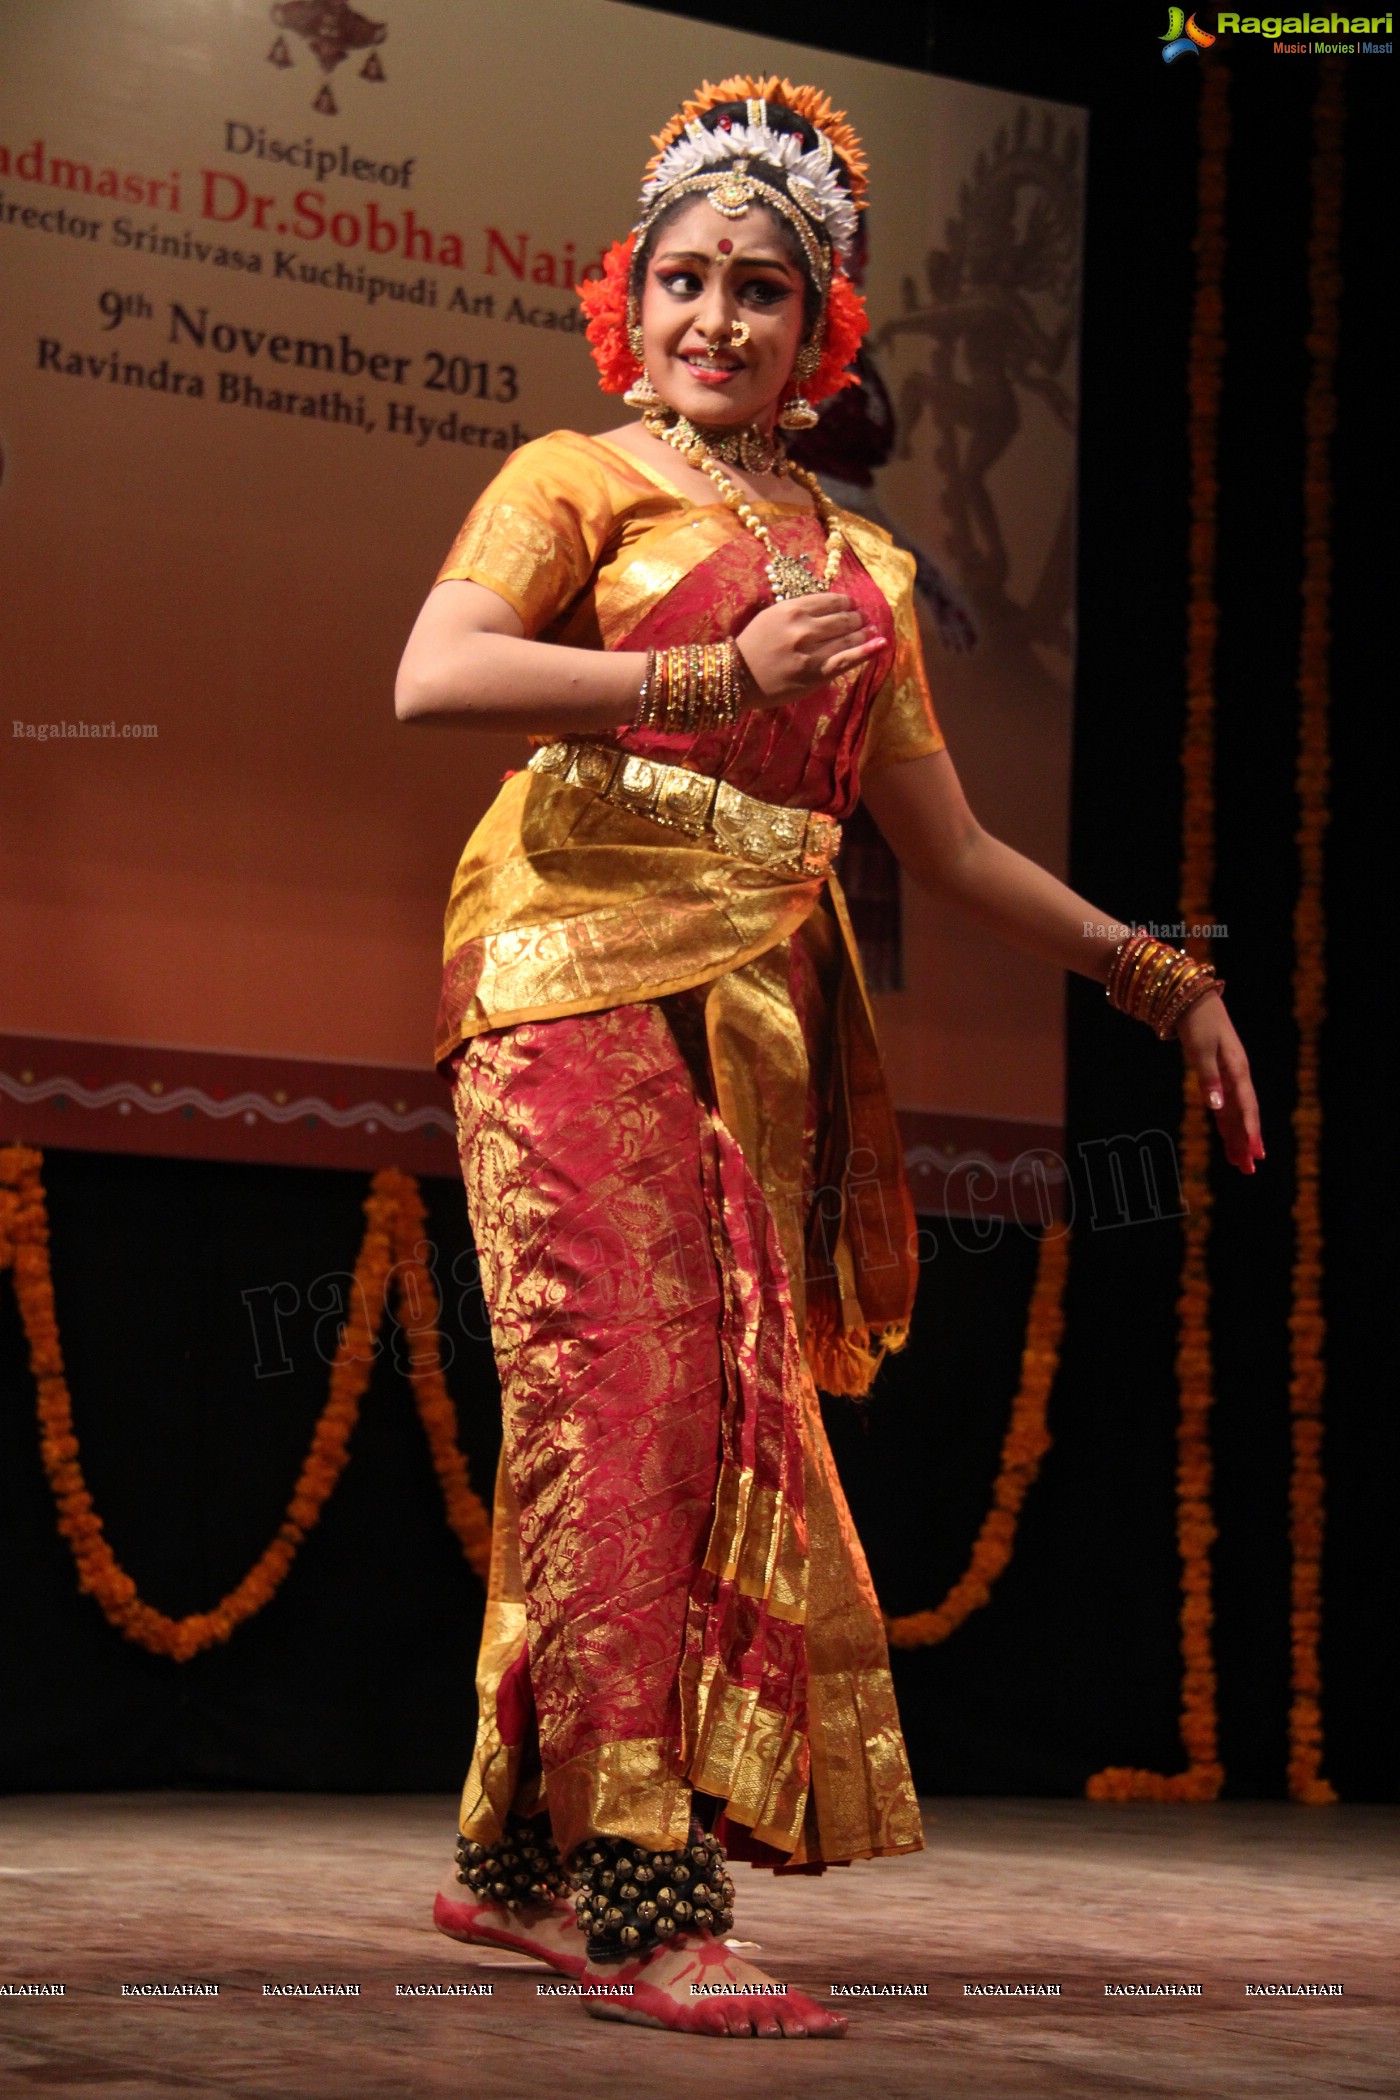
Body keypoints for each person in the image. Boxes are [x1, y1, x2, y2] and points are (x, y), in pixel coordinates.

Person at [394, 76, 1263, 2042]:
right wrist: (702, 677)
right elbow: (433, 671)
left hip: (755, 1019)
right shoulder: (570, 478)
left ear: (819, 332)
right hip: (561, 969)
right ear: (634, 300)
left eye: (759, 291)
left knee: (680, 1435)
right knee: (621, 1407)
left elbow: (946, 854)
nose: (713, 319)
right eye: (682, 280)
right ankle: (636, 1895)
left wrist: (1161, 981)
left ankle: (523, 1866)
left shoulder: (858, 574)